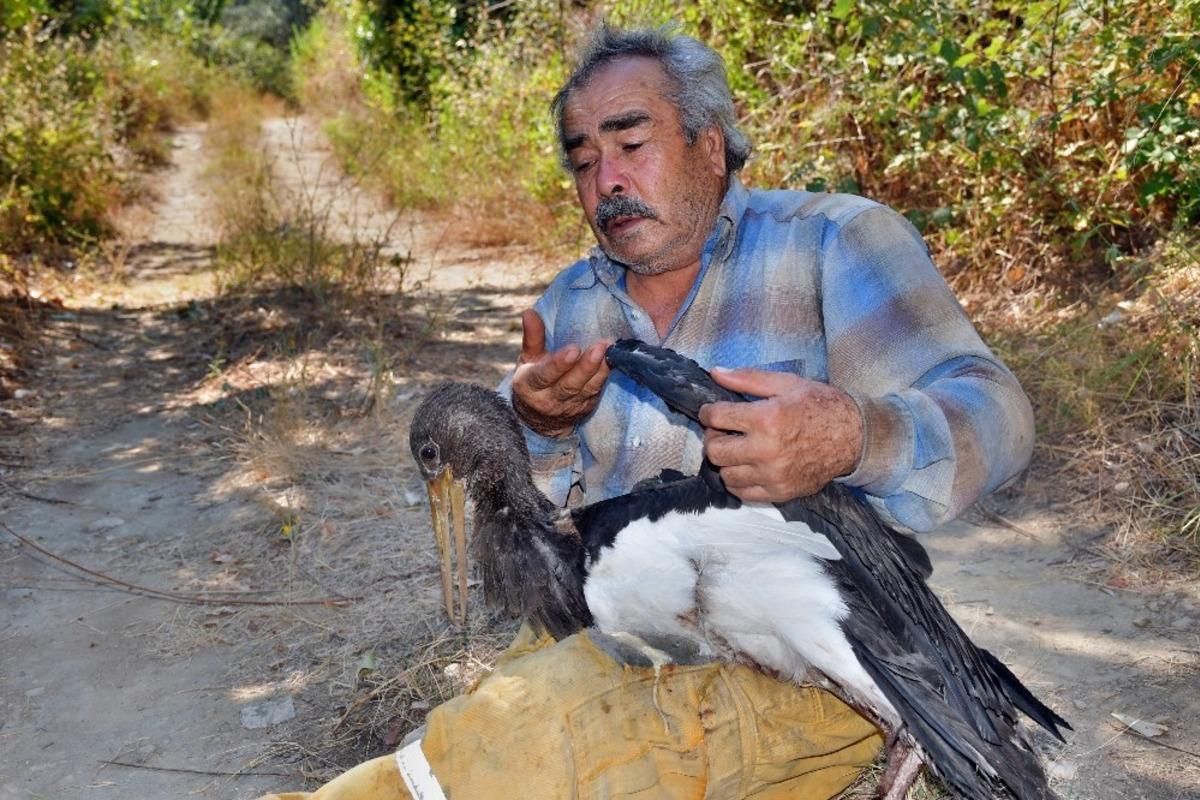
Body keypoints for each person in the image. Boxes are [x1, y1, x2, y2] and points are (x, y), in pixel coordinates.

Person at [259, 23, 1033, 800]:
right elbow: (549, 539)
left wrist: (853, 435)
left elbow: (996, 413)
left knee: (480, 769)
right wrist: (543, 431)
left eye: (631, 144)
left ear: (710, 142)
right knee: (471, 741)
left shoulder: (834, 243)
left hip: (806, 654)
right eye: (585, 161)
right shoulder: (567, 306)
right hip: (628, 630)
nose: (606, 182)